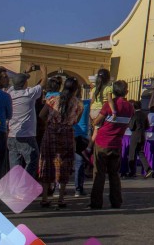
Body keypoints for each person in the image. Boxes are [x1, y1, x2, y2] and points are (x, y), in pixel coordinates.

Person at [38, 77, 83, 209]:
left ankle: (45, 197)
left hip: (51, 132)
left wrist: (50, 123)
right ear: (75, 89)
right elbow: (76, 121)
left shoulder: (52, 100)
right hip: (66, 134)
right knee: (64, 164)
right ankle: (61, 198)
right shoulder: (78, 104)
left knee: (47, 162)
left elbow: (41, 114)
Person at [90, 79, 132, 210]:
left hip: (102, 142)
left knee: (99, 174)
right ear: (126, 92)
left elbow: (97, 121)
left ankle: (96, 202)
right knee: (114, 174)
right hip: (117, 143)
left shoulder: (109, 105)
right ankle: (116, 201)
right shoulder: (130, 107)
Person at [8, 69, 43, 179]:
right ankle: (24, 184)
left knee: (14, 165)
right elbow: (43, 83)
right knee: (32, 160)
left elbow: (16, 82)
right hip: (27, 136)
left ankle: (14, 188)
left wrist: (26, 73)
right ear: (25, 84)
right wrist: (44, 71)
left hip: (12, 135)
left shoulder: (10, 93)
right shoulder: (29, 94)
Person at [73, 95, 91, 197]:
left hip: (69, 134)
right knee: (79, 163)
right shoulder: (87, 103)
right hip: (81, 136)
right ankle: (78, 189)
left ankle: (58, 189)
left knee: (61, 162)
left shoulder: (67, 102)